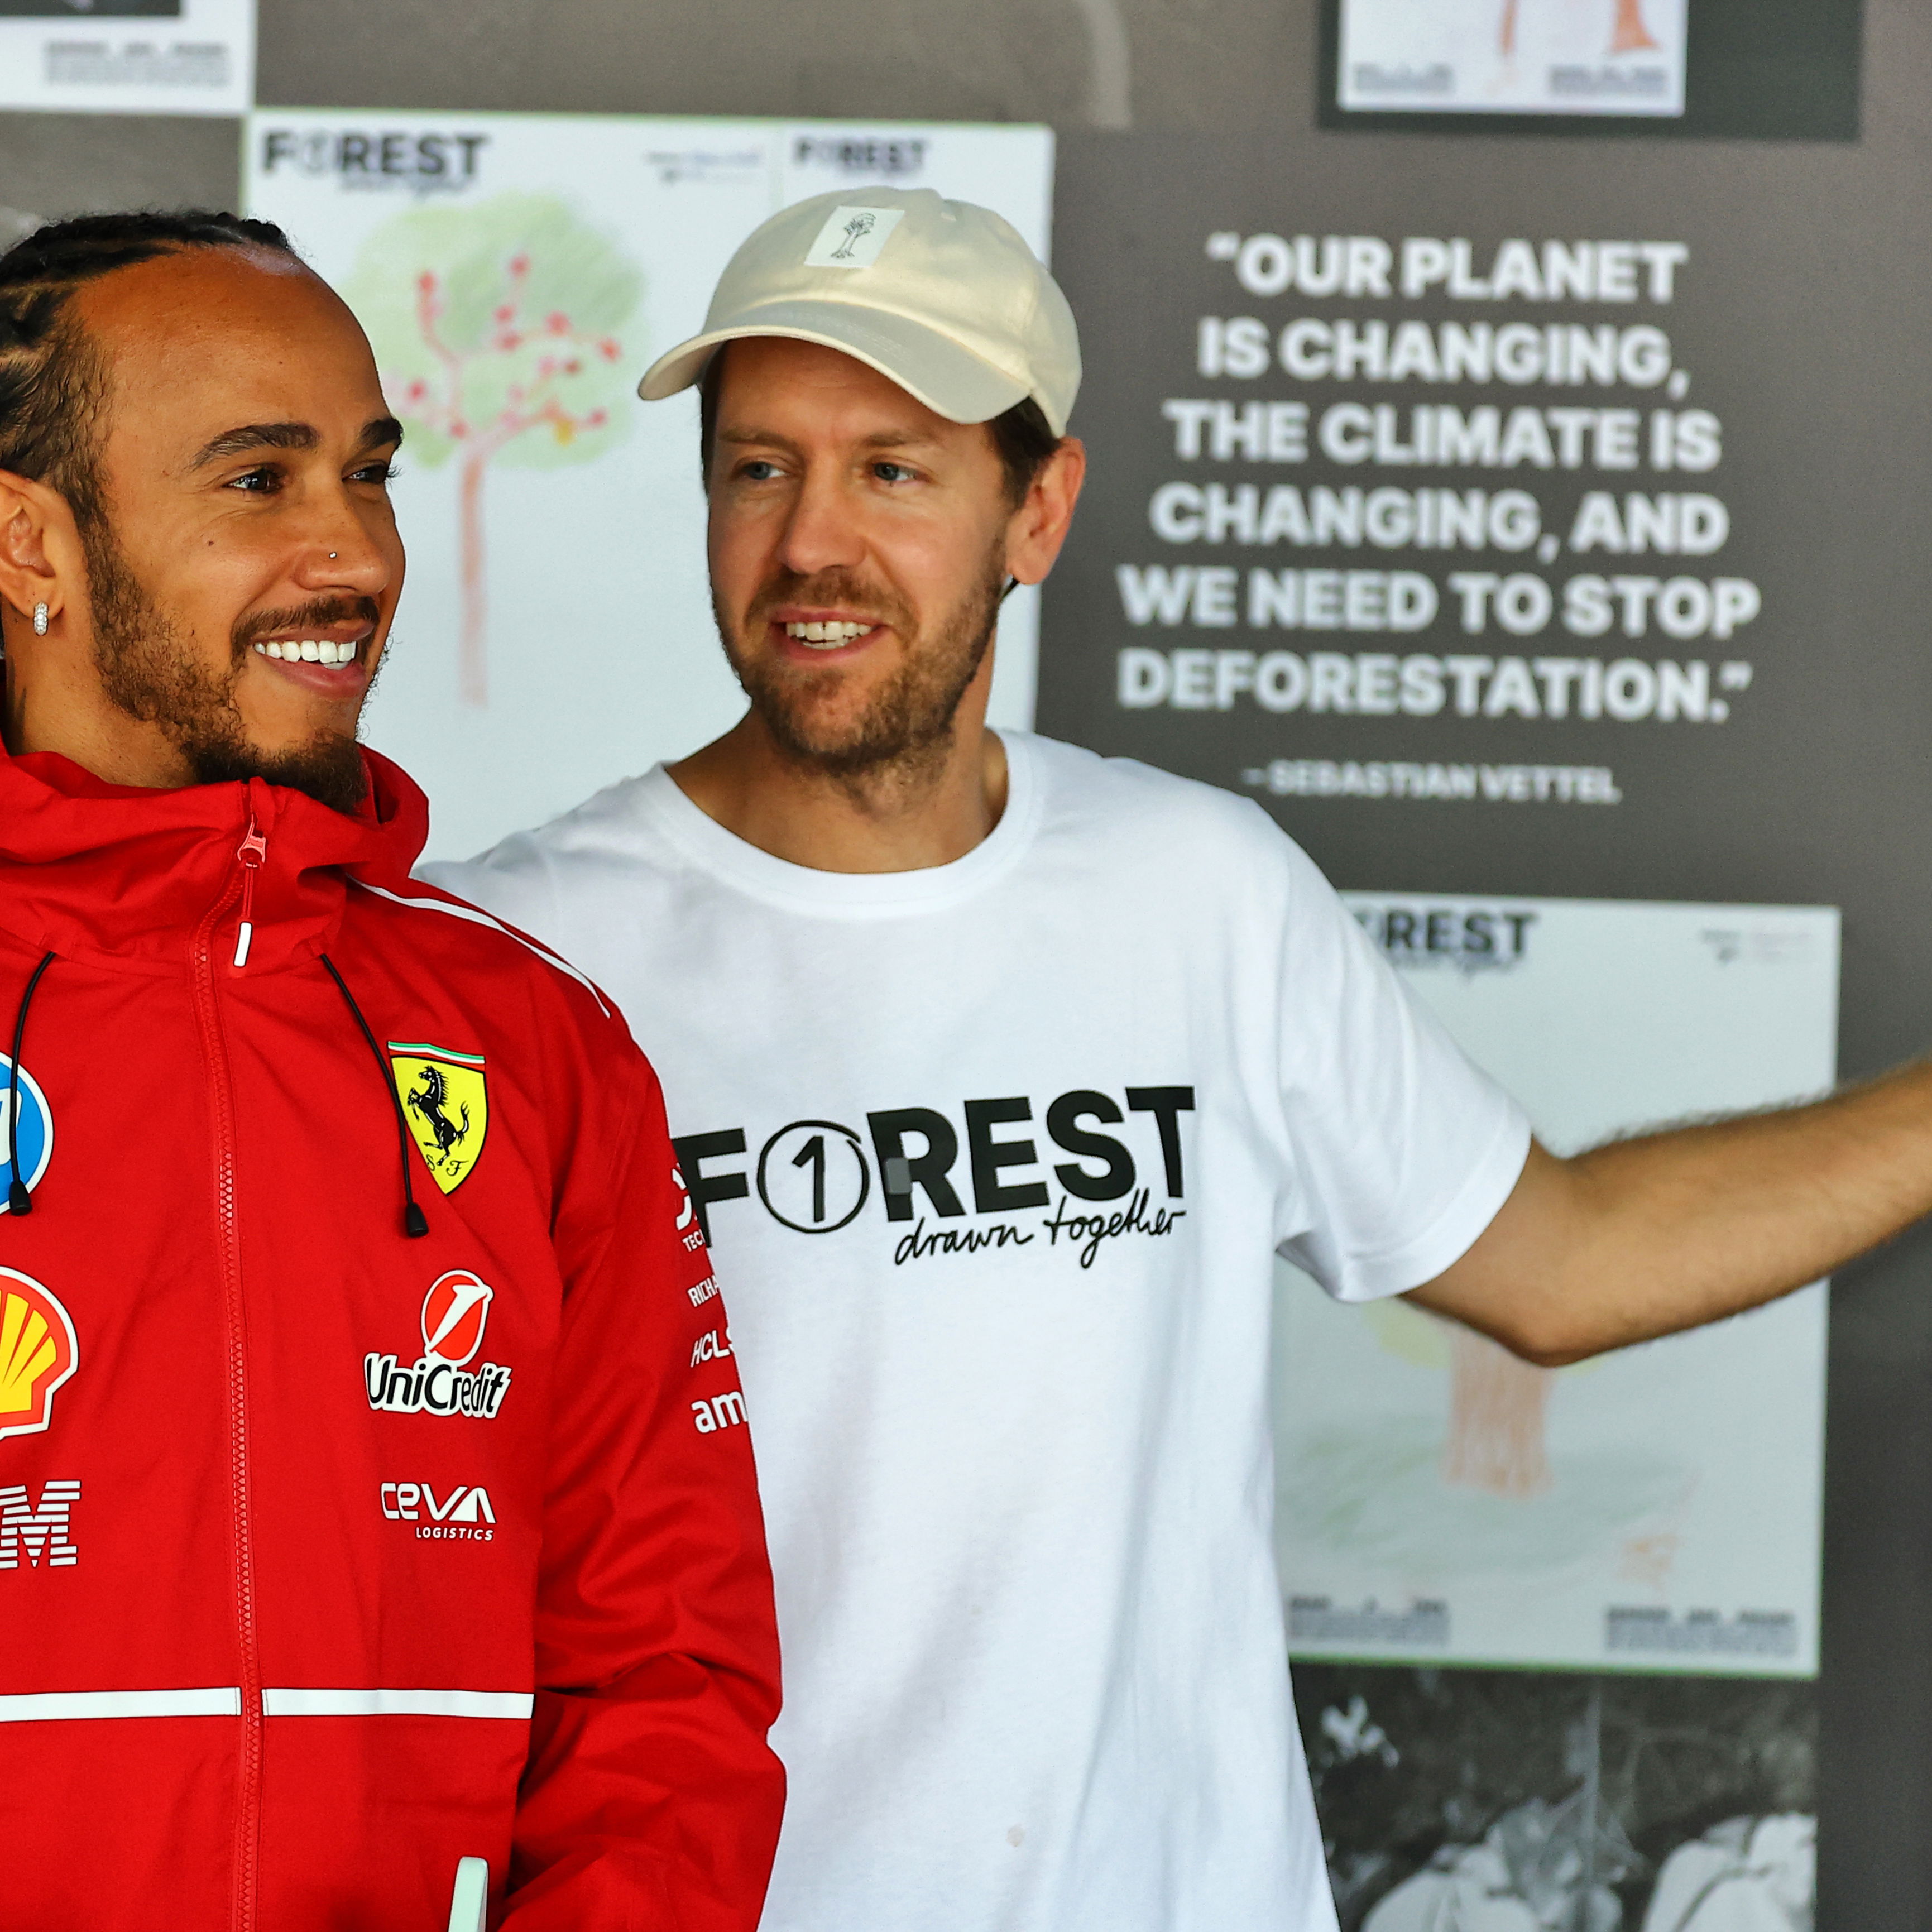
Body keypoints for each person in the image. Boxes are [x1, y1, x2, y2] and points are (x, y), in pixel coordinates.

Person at [429, 186, 1931, 1931]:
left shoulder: (1198, 888)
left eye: (894, 469)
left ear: (1038, 509)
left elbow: (1566, 1261)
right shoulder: (507, 959)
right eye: (760, 467)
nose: (811, 544)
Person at [0, 212, 783, 1930]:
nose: (350, 552)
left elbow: (665, 1677)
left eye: (367, 475)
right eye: (258, 481)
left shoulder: (533, 1041)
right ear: (28, 536)